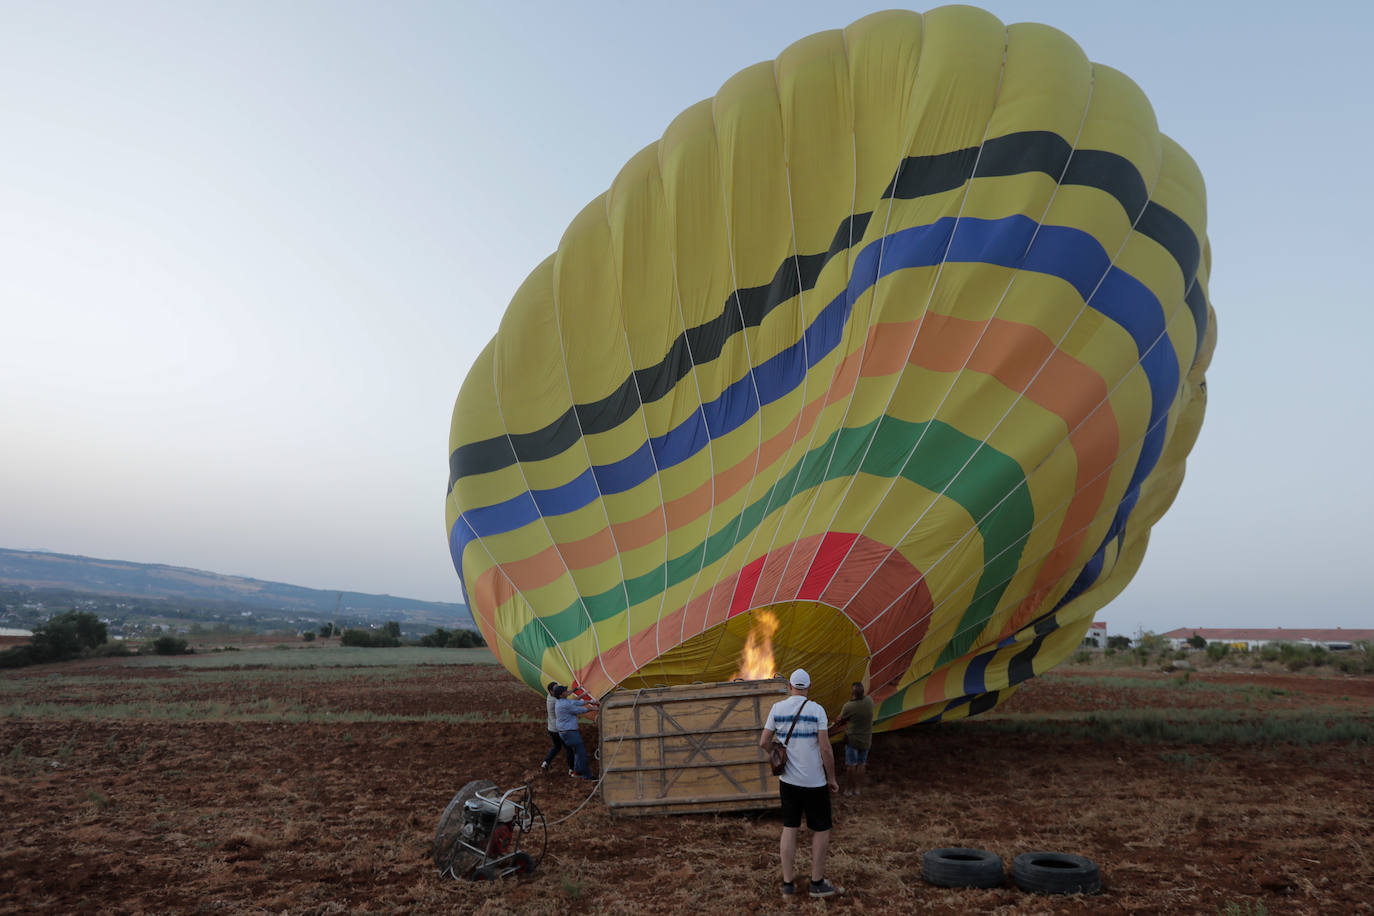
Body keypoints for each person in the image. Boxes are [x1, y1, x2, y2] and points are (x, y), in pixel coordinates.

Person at [759, 668, 841, 899]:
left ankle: (787, 884)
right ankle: (816, 882)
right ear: (809, 687)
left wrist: (777, 751)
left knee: (790, 828)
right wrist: (832, 778)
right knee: (821, 829)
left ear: (789, 687)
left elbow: (764, 741)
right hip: (815, 781)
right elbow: (825, 748)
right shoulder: (817, 710)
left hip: (789, 781)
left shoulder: (777, 708)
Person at [834, 681, 875, 797]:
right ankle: (857, 789)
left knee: (851, 765)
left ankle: (848, 789)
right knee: (861, 764)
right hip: (866, 739)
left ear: (852, 693)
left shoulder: (849, 706)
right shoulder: (869, 701)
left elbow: (839, 720)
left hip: (853, 740)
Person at [553, 684, 598, 781]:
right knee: (581, 753)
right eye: (565, 691)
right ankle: (587, 776)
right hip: (570, 733)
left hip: (565, 732)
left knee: (577, 752)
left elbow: (576, 702)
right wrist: (593, 708)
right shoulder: (564, 704)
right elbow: (578, 710)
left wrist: (591, 701)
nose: (567, 692)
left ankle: (577, 771)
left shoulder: (561, 702)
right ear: (561, 695)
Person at [540, 681, 575, 774]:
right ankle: (572, 769)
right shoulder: (556, 701)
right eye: (555, 689)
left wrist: (575, 689)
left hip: (551, 728)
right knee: (568, 748)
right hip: (559, 728)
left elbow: (564, 694)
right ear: (551, 691)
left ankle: (546, 762)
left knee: (557, 746)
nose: (557, 690)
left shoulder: (550, 697)